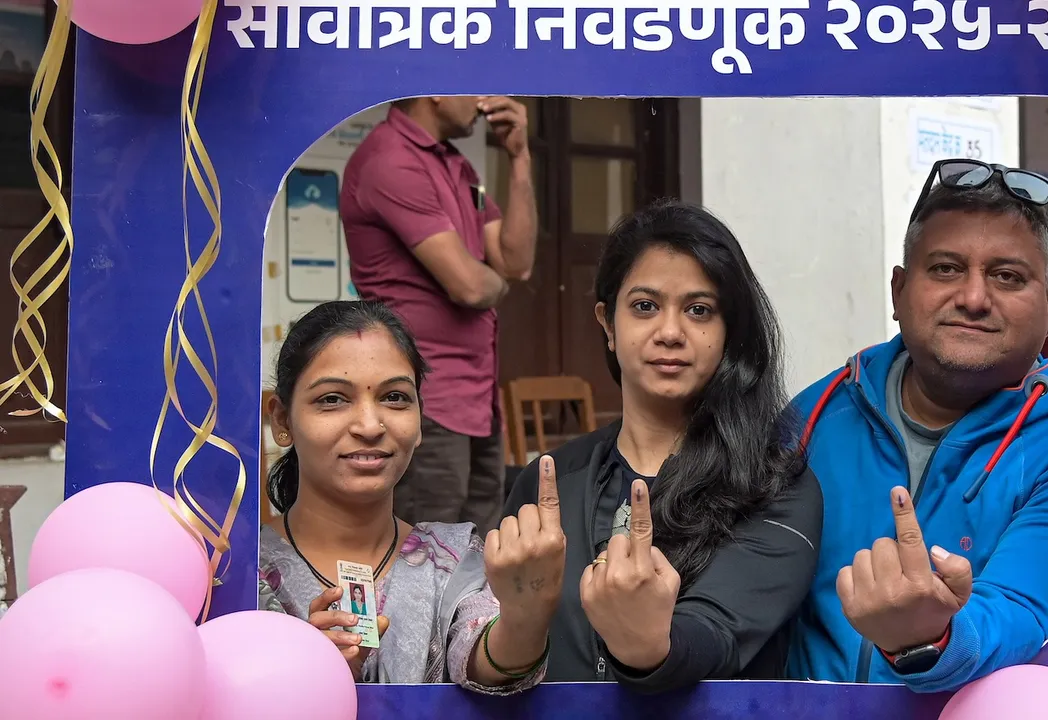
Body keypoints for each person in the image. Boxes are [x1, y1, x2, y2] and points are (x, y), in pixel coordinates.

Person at [502, 200, 823, 693]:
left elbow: (719, 635)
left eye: (699, 310)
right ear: (608, 323)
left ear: (728, 331)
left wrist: (647, 643)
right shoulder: (548, 482)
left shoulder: (776, 485)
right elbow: (501, 652)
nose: (670, 333)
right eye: (645, 306)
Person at [786, 159, 1048, 692]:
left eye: (1007, 276)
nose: (972, 298)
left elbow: (1026, 607)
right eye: (945, 269)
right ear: (899, 292)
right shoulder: (816, 414)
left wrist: (929, 638)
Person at [258, 300, 563, 689]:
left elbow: (484, 660)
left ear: (420, 421)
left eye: (395, 397)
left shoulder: (454, 561)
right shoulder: (241, 577)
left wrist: (524, 618)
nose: (370, 425)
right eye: (333, 399)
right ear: (282, 420)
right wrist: (310, 681)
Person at [340, 95, 537, 532]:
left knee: (480, 549)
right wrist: (495, 283)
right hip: (420, 394)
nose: (487, 101)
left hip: (475, 396)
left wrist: (520, 157)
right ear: (437, 92)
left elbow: (516, 260)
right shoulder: (391, 159)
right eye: (475, 86)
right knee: (426, 558)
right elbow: (468, 285)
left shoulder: (460, 167)